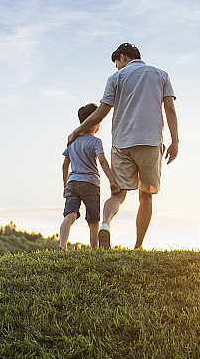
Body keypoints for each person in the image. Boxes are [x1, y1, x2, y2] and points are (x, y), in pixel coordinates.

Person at [67, 43, 179, 249]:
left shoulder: (115, 78)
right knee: (145, 195)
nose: (117, 67)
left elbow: (101, 112)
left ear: (122, 57)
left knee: (118, 194)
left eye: (116, 63)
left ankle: (106, 224)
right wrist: (175, 141)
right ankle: (138, 246)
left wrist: (76, 131)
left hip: (121, 143)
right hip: (150, 142)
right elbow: (170, 108)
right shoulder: (161, 75)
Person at [60, 103, 120, 250]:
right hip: (91, 184)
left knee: (70, 215)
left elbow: (64, 165)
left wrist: (65, 186)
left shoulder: (72, 141)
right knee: (93, 221)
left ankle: (62, 247)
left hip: (72, 183)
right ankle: (94, 250)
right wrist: (112, 181)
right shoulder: (95, 141)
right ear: (94, 122)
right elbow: (102, 160)